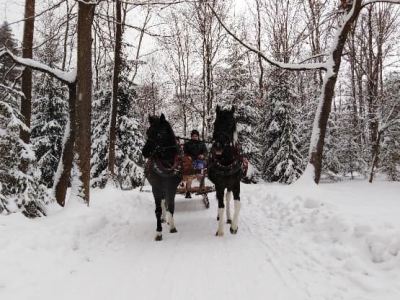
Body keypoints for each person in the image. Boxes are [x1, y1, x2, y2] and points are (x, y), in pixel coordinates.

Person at [183, 129, 208, 198]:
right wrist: (188, 156)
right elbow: (185, 152)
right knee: (190, 174)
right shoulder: (187, 144)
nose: (194, 137)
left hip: (200, 160)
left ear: (198, 136)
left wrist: (203, 155)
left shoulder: (202, 144)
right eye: (193, 136)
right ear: (191, 136)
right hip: (190, 161)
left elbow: (205, 152)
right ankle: (188, 190)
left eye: (196, 136)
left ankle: (202, 187)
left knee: (199, 172)